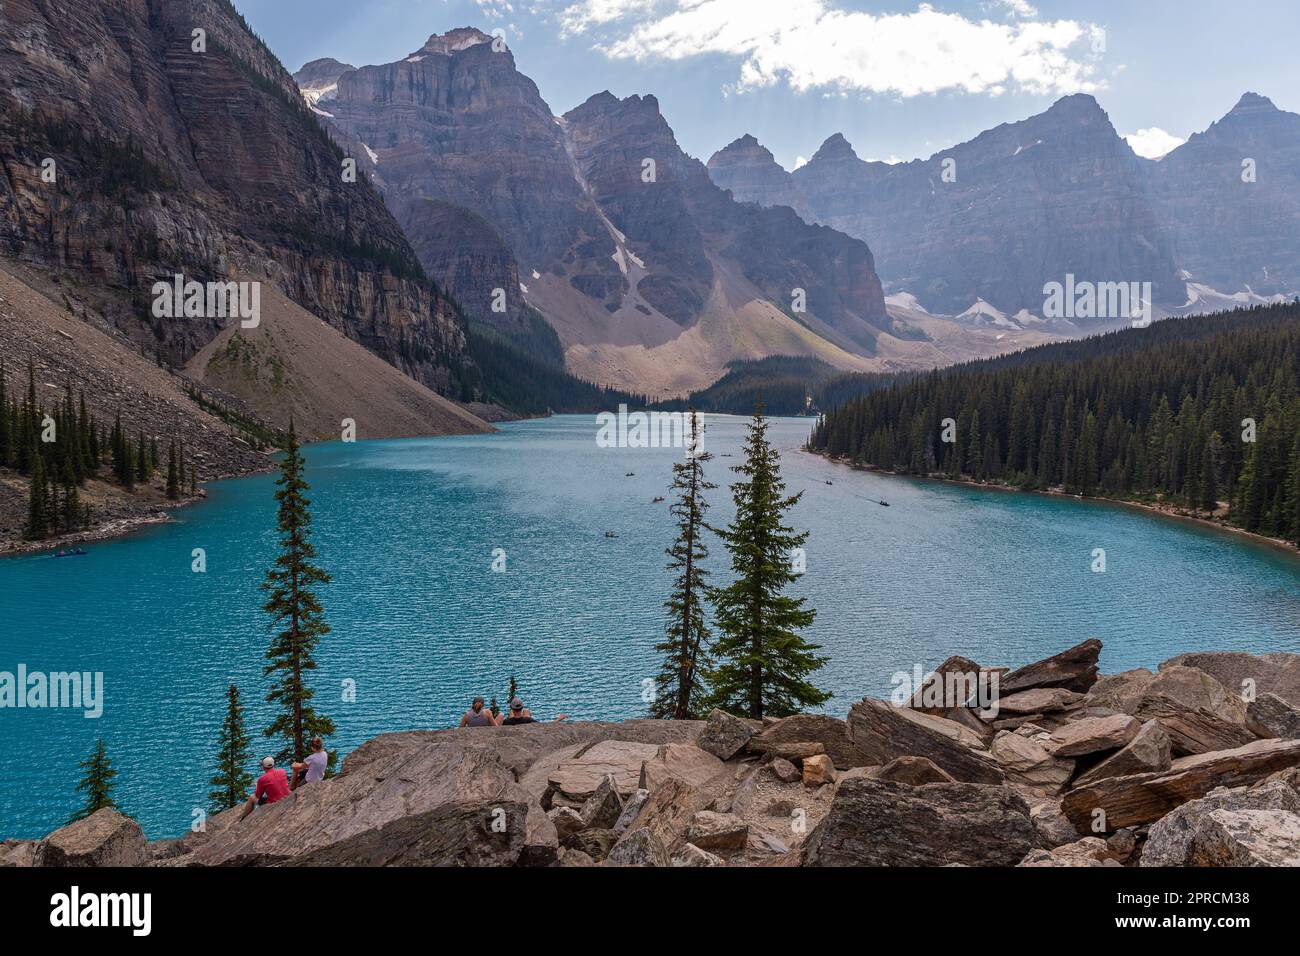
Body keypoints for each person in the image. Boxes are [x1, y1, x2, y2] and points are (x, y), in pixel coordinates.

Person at [239, 756, 290, 820]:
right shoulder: (282, 771)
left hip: (275, 803)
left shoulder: (262, 779)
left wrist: (257, 786)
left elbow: (257, 796)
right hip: (287, 798)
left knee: (252, 797)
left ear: (263, 767)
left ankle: (244, 818)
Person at [499, 697, 567, 726]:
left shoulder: (506, 721)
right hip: (525, 723)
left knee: (525, 711)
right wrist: (559, 719)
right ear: (522, 707)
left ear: (512, 708)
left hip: (512, 722)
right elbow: (544, 726)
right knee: (527, 711)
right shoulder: (528, 720)